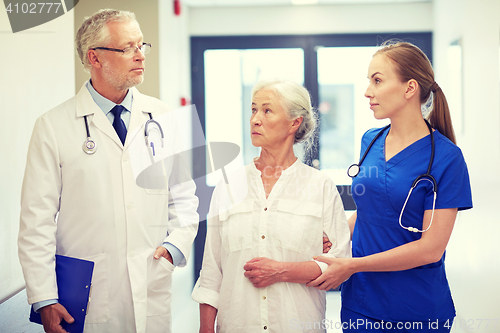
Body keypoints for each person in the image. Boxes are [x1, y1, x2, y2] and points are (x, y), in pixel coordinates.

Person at [18, 9, 199, 333]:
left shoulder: (162, 115)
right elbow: (36, 220)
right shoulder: (53, 126)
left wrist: (174, 248)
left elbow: (185, 196)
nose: (140, 55)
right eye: (128, 47)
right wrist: (44, 297)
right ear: (95, 58)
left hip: (151, 281)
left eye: (142, 45)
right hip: (86, 292)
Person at [308, 42, 473, 332]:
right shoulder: (370, 140)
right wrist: (335, 237)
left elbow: (430, 249)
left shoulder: (447, 158)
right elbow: (371, 209)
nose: (367, 91)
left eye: (377, 80)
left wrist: (353, 265)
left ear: (410, 88)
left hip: (416, 308)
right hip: (362, 301)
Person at [191, 79, 351, 333]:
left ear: (294, 122)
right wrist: (206, 328)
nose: (255, 119)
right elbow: (212, 270)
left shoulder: (319, 186)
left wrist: (281, 271)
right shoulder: (229, 185)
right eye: (253, 110)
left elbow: (338, 265)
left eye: (267, 110)